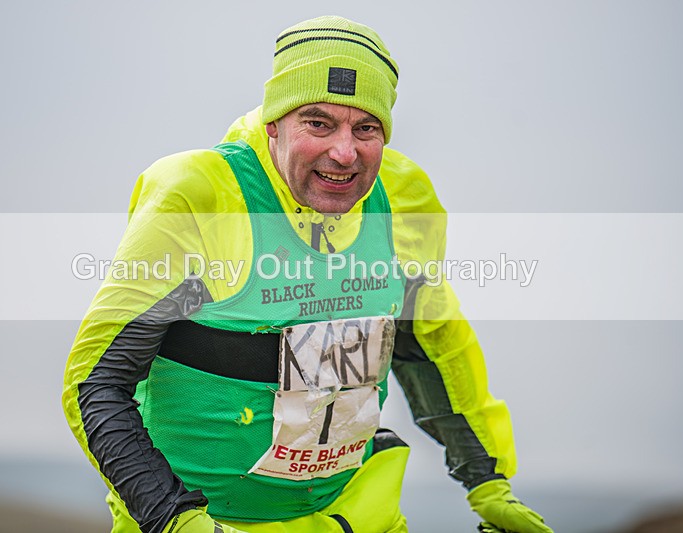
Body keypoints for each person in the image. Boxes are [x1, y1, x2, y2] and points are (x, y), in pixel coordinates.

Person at [63, 15, 552, 533]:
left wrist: (488, 482)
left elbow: (432, 345)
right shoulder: (201, 196)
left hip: (351, 515)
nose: (344, 152)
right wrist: (174, 520)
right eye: (318, 123)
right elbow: (95, 383)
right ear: (274, 123)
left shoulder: (402, 199)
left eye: (366, 128)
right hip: (203, 521)